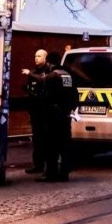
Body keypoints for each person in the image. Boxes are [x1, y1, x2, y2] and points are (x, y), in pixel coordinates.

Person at [36, 52, 79, 182]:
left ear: (49, 63)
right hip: (65, 116)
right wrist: (69, 109)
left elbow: (44, 97)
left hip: (52, 117)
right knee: (64, 145)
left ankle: (51, 173)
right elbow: (75, 95)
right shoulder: (68, 76)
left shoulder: (51, 76)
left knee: (51, 146)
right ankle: (64, 173)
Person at [22, 49, 50, 174]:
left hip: (45, 111)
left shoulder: (47, 70)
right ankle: (37, 164)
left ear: (45, 58)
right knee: (37, 139)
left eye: (39, 56)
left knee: (45, 139)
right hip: (34, 110)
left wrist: (30, 75)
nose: (36, 58)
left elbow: (44, 80)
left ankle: (46, 165)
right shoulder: (33, 71)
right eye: (35, 56)